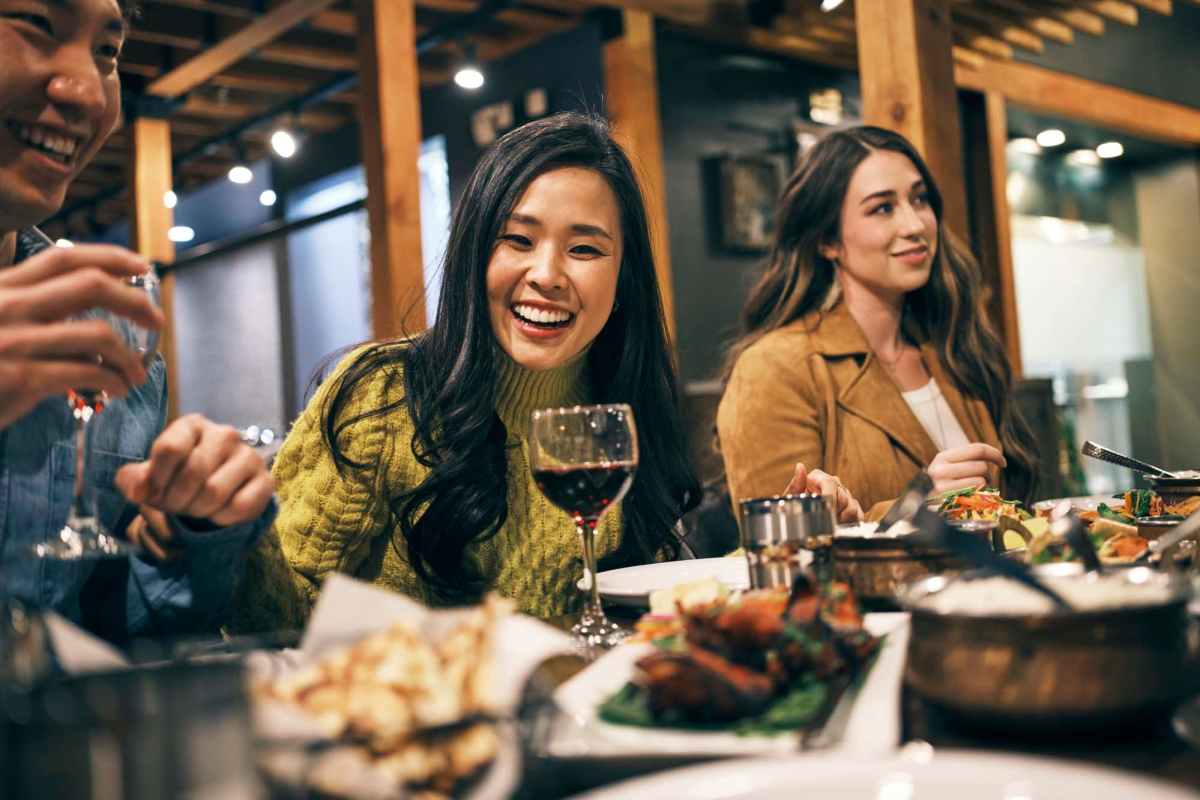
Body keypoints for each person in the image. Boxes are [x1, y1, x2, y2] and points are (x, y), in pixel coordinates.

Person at [234, 112, 702, 628]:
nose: (546, 275)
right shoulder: (384, 395)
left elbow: (661, 614)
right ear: (473, 256)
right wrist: (229, 531)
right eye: (518, 240)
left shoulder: (622, 416)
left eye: (585, 249)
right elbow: (273, 621)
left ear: (623, 278)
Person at [0, 0, 275, 642]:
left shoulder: (99, 335)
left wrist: (196, 528)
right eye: (36, 25)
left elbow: (117, 627)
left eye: (108, 53)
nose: (87, 92)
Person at [717, 126, 1037, 519]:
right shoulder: (774, 368)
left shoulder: (953, 347)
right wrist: (919, 502)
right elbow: (782, 549)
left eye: (919, 199)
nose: (915, 225)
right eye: (882, 208)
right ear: (828, 241)